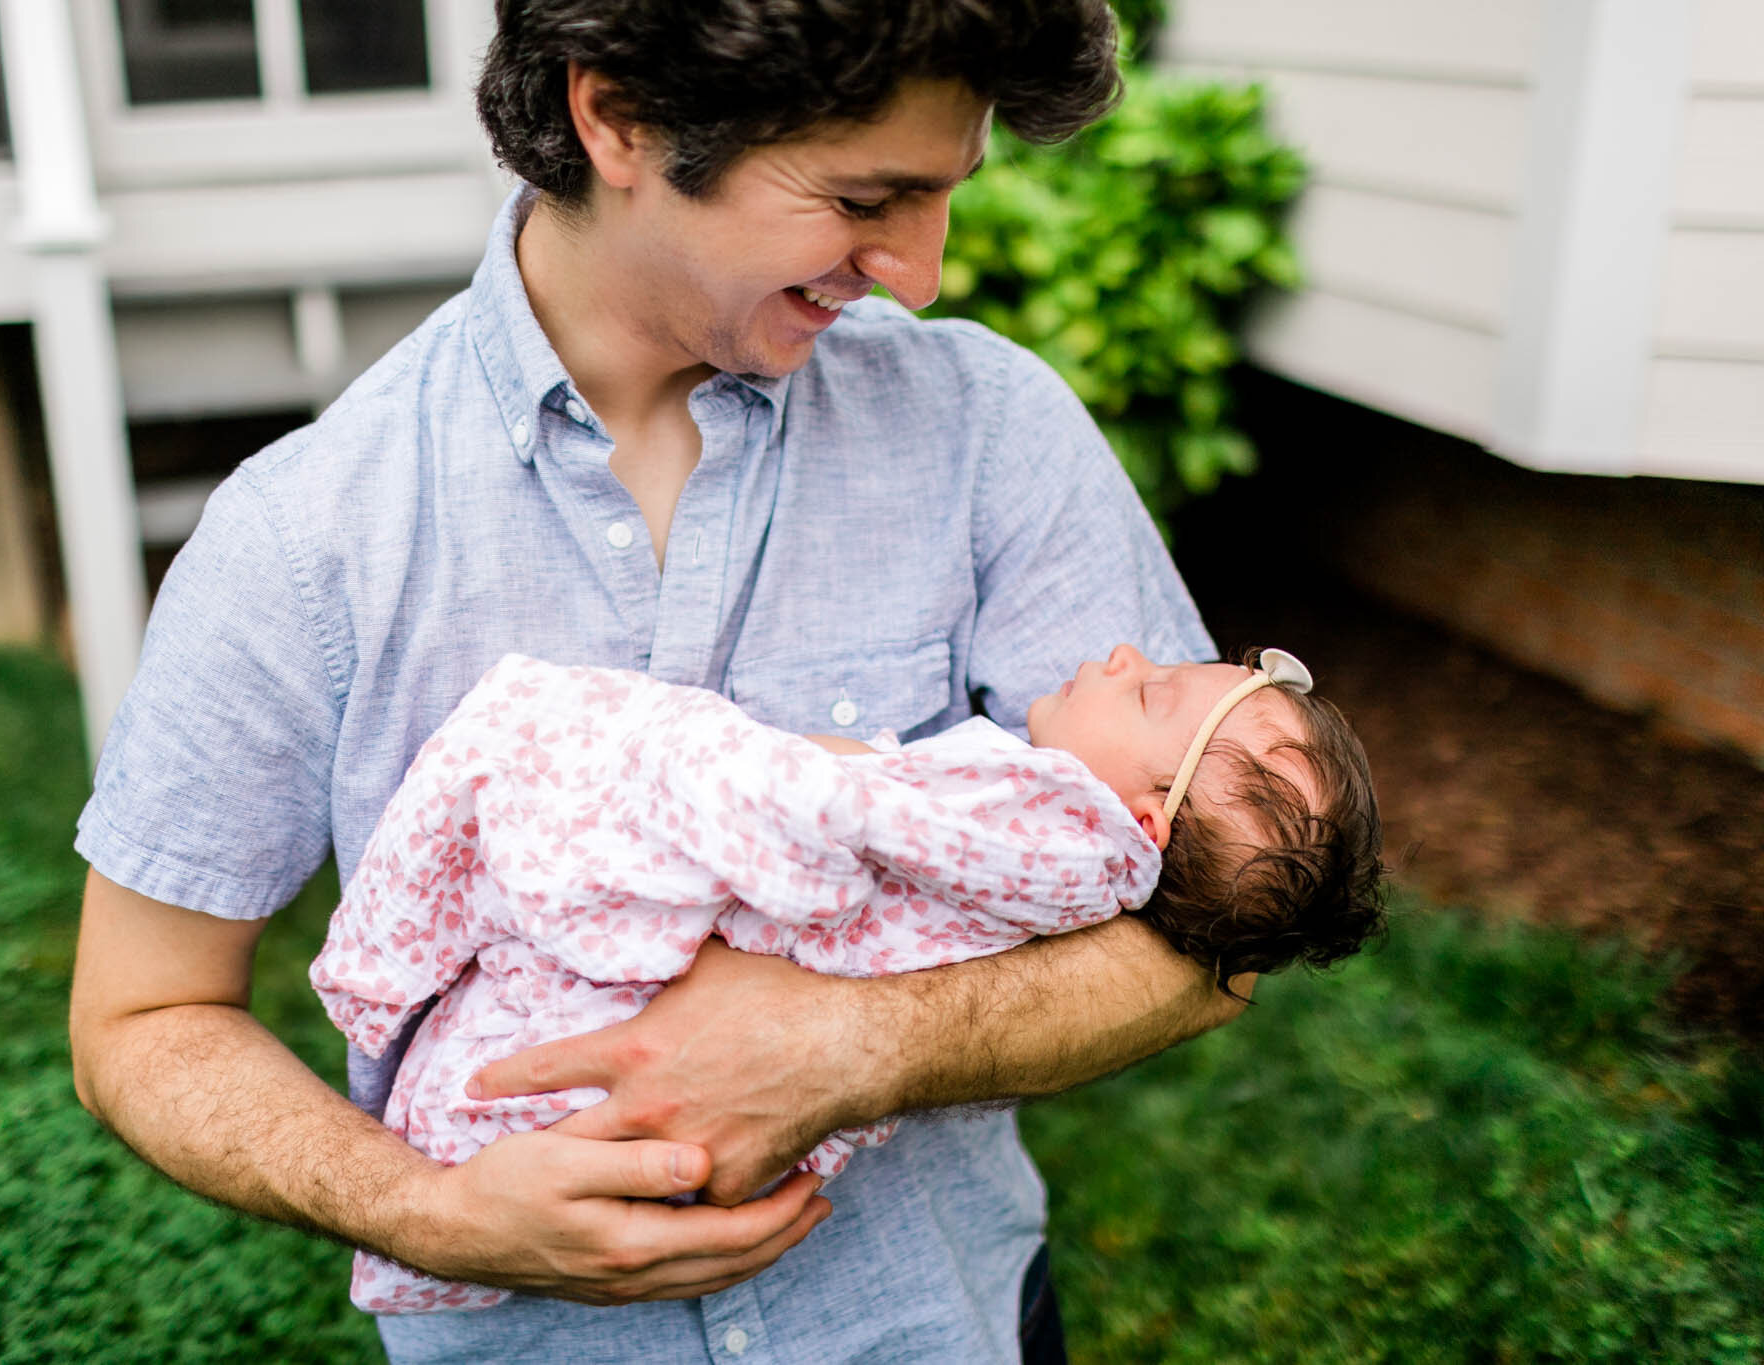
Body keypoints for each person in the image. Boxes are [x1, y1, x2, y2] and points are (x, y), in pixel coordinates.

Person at [67, 2, 1256, 1360]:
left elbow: (1217, 929)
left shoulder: (990, 431)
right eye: (868, 196)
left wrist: (859, 1047)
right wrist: (424, 1212)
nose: (920, 273)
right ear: (618, 116)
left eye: (943, 196)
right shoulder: (309, 534)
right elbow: (141, 1014)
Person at [312, 646, 1387, 1314]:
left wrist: (791, 770)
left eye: (1150, 688)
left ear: (1142, 824)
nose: (1116, 653)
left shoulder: (1058, 830)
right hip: (692, 1134)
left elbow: (847, 815)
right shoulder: (1079, 862)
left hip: (695, 1065)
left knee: (561, 779)